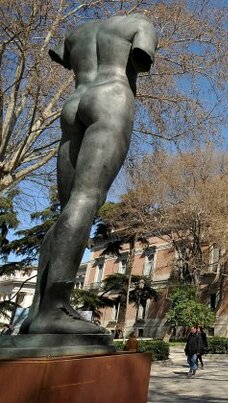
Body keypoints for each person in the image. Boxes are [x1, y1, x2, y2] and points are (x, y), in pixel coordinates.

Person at [20, 14, 158, 335]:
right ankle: (55, 307)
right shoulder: (139, 24)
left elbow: (64, 57)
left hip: (74, 102)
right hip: (111, 99)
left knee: (67, 209)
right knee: (86, 198)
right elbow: (142, 59)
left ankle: (37, 312)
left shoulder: (76, 33)